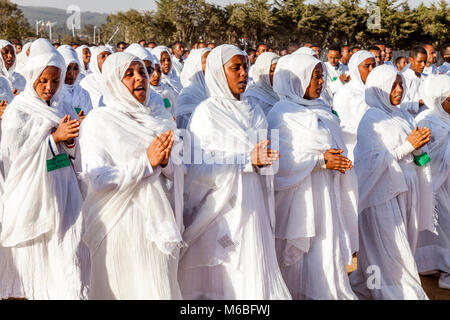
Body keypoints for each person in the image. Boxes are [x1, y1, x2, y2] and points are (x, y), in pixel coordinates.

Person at [178, 44, 291, 300]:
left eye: (245, 67)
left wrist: (265, 162)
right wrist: (245, 161)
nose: (243, 74)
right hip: (222, 209)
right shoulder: (206, 113)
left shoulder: (254, 110)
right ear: (219, 72)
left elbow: (267, 157)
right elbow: (197, 170)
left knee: (253, 269)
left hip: (254, 204)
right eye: (235, 68)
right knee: (227, 273)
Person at [78, 52, 184, 300]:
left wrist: (165, 161)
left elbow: (177, 171)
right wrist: (146, 163)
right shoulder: (99, 121)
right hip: (120, 225)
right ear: (114, 82)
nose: (140, 79)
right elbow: (98, 178)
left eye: (142, 72)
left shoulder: (160, 117)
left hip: (157, 224)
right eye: (129, 74)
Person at [0, 38, 89, 300]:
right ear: (33, 78)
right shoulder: (19, 110)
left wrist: (70, 140)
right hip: (34, 196)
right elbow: (15, 160)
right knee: (36, 261)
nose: (49, 87)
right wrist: (53, 140)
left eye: (55, 80)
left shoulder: (64, 106)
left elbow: (75, 151)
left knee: (68, 254)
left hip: (65, 192)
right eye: (43, 81)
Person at [267, 52, 359, 300]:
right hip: (299, 197)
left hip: (327, 194)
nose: (321, 82)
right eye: (315, 76)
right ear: (298, 79)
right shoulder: (281, 114)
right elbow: (279, 161)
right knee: (298, 258)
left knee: (326, 249)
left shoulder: (323, 109)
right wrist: (319, 161)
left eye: (322, 76)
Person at [349, 64, 434, 300]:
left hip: (407, 188)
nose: (399, 89)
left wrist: (420, 146)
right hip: (382, 194)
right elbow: (370, 163)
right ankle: (399, 293)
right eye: (392, 85)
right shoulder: (371, 120)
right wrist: (409, 145)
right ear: (380, 89)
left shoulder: (401, 114)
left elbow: (412, 150)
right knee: (392, 250)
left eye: (400, 84)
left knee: (403, 245)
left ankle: (368, 284)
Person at [414, 74, 450, 290]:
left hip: (447, 182)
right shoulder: (426, 120)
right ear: (436, 99)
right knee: (440, 225)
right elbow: (420, 153)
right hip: (434, 182)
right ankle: (434, 266)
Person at [333, 50, 377, 161]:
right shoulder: (345, 92)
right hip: (354, 150)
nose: (372, 70)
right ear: (355, 69)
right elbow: (344, 125)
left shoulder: (376, 90)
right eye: (367, 66)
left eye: (374, 65)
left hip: (377, 148)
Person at [175, 48, 211, 129]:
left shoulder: (215, 90)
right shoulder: (187, 97)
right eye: (207, 61)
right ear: (196, 65)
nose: (211, 65)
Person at [124, 43, 165, 110]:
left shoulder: (156, 100)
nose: (140, 77)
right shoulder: (109, 115)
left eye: (148, 71)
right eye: (130, 73)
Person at [57, 46, 93, 119]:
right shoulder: (54, 95)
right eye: (68, 68)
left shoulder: (83, 94)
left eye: (76, 68)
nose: (72, 73)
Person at [151, 46, 182, 116]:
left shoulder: (175, 79)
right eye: (162, 60)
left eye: (168, 60)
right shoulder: (154, 84)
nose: (166, 63)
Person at [402, 45, 428, 115]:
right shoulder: (404, 78)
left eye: (425, 61)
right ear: (410, 60)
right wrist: (419, 103)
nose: (423, 65)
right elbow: (402, 105)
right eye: (420, 61)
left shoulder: (427, 78)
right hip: (411, 119)